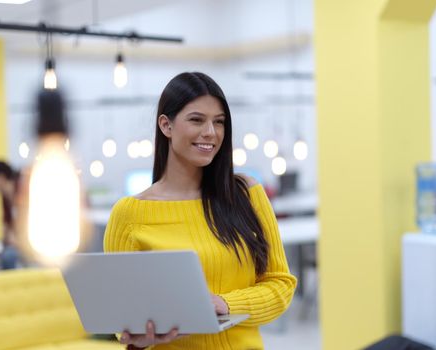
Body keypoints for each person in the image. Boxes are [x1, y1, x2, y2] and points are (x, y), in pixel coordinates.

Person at [103, 72, 297, 350]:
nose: (211, 132)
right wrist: (137, 337)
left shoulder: (247, 195)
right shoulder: (130, 214)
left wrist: (223, 304)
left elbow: (280, 285)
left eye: (219, 122)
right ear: (166, 126)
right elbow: (121, 316)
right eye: (197, 120)